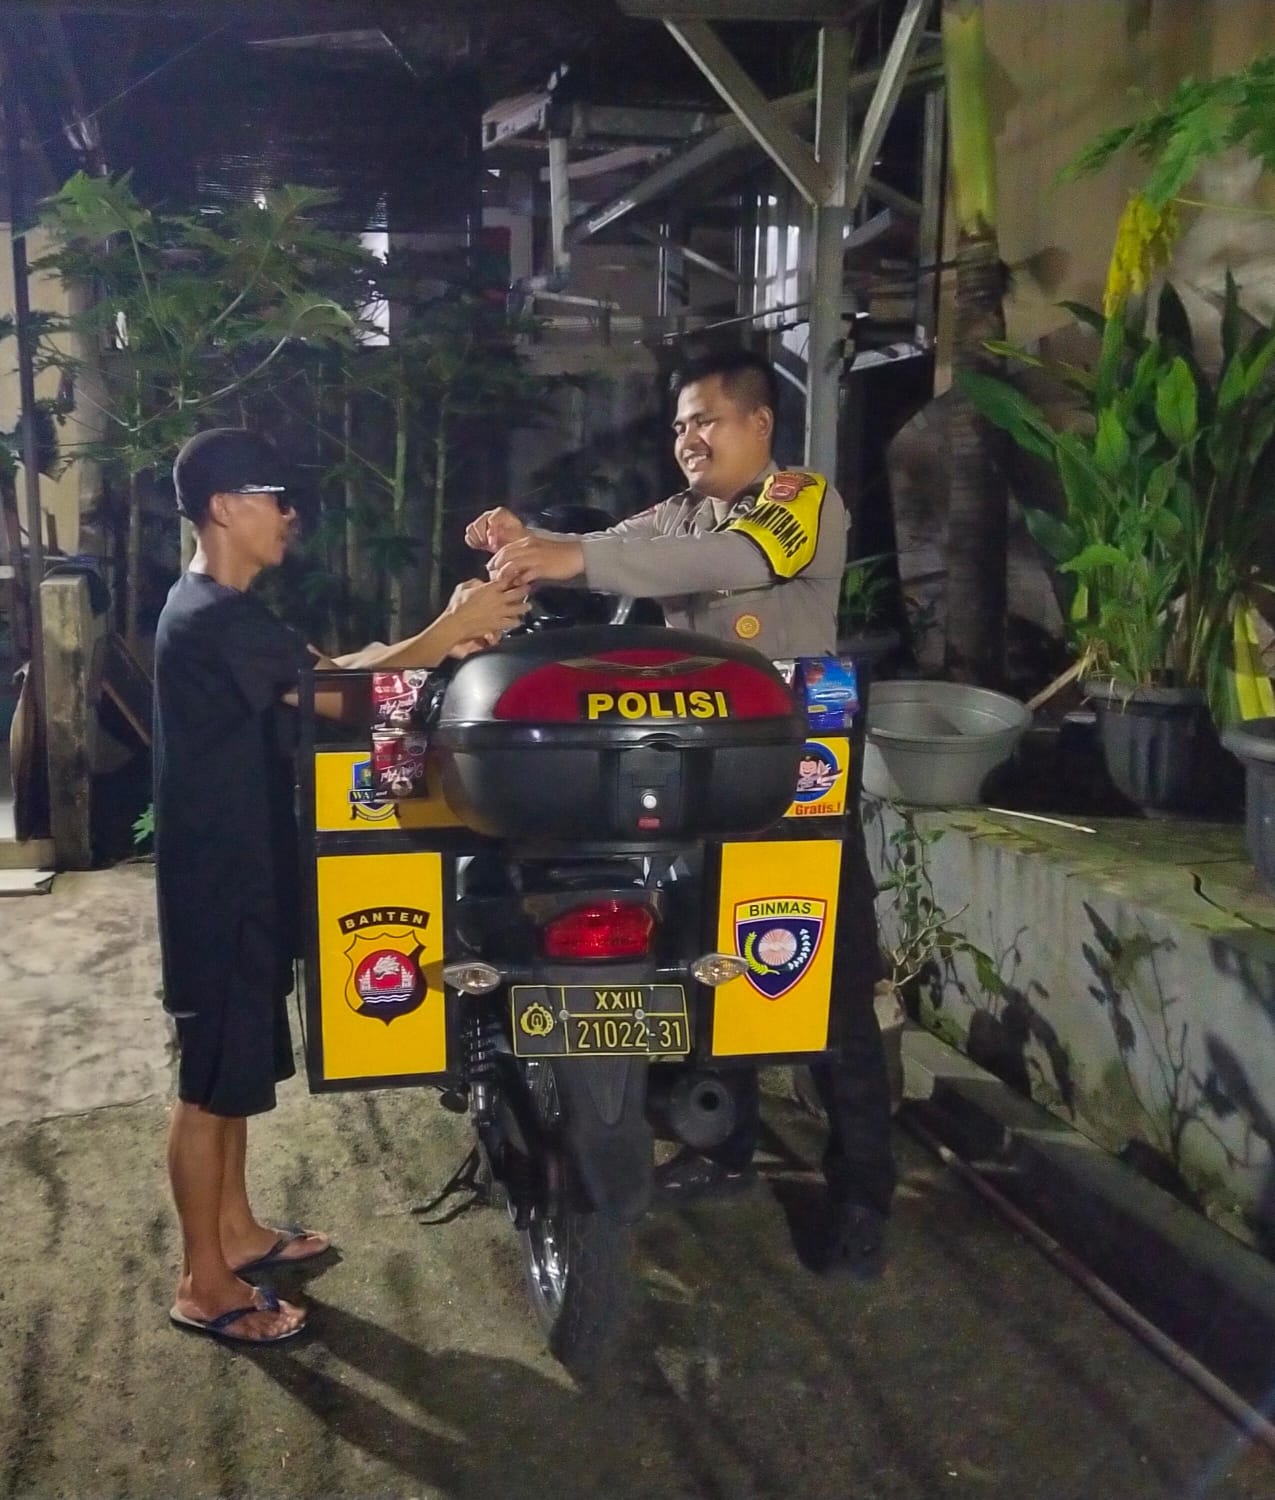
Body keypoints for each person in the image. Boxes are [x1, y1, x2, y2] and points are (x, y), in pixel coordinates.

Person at [465, 347, 896, 1275]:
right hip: (699, 774)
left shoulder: (797, 501)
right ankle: (725, 1145)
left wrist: (572, 554)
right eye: (677, 426)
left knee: (828, 987)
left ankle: (862, 1195)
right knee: (708, 957)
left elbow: (732, 559)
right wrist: (528, 541)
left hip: (796, 776)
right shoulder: (680, 512)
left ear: (758, 423)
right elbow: (623, 548)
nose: (687, 439)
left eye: (705, 420)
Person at [156, 427, 527, 1345]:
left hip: (242, 872)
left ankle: (237, 1232)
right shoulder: (211, 617)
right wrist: (448, 634)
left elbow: (334, 673)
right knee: (206, 1084)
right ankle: (203, 1282)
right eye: (273, 496)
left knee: (236, 1068)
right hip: (217, 883)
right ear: (223, 507)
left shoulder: (228, 610)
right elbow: (346, 699)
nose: (290, 514)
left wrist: (441, 632)